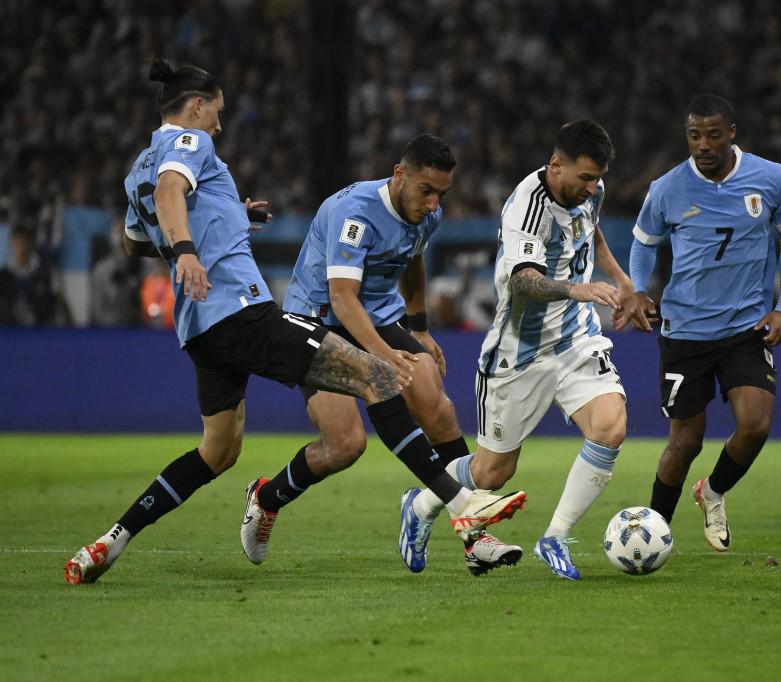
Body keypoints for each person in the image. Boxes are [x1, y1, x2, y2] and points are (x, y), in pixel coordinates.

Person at [63, 60, 525, 585]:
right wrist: (190, 250)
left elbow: (134, 240)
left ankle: (108, 542)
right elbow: (173, 192)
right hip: (245, 310)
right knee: (378, 377)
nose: (218, 124)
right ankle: (467, 509)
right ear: (196, 106)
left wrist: (225, 216)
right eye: (216, 111)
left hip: (199, 327)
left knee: (219, 451)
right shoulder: (190, 145)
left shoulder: (136, 171)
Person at [243, 134, 522, 577]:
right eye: (426, 191)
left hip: (377, 317)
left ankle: (473, 535)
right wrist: (383, 358)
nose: (434, 204)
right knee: (345, 444)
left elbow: (412, 260)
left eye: (441, 194)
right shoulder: (352, 213)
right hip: (318, 321)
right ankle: (267, 497)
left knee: (438, 408)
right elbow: (342, 298)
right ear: (399, 175)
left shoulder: (425, 214)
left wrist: (420, 327)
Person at [401, 120, 631, 581]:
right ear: (555, 165)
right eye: (583, 178)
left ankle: (556, 536)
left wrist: (623, 280)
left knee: (611, 427)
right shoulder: (527, 207)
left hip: (576, 340)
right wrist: (578, 290)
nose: (591, 188)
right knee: (492, 474)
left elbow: (592, 230)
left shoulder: (591, 191)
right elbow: (525, 279)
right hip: (519, 352)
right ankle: (421, 502)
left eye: (596, 179)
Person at [619, 94, 781, 552]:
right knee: (685, 443)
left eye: (713, 135)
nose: (703, 144)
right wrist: (639, 289)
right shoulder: (667, 188)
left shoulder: (771, 178)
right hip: (685, 332)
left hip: (745, 327)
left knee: (756, 424)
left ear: (732, 132)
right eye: (694, 135)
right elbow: (643, 244)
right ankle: (653, 535)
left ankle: (714, 492)